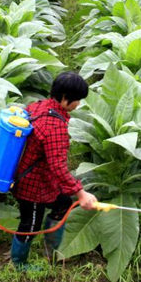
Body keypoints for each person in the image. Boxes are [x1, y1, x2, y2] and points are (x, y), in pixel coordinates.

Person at [10, 71, 98, 270]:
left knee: (63, 204)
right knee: (30, 224)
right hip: (32, 186)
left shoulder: (39, 105)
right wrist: (81, 193)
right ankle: (18, 263)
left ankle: (52, 249)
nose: (78, 104)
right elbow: (57, 166)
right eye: (77, 100)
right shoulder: (55, 126)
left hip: (39, 177)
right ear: (65, 98)